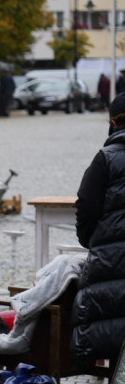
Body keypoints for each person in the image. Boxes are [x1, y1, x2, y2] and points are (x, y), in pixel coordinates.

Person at [72, 93, 125, 361]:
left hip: (111, 264)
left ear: (114, 123)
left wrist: (94, 242)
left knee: (114, 331)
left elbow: (86, 206)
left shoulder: (105, 159)